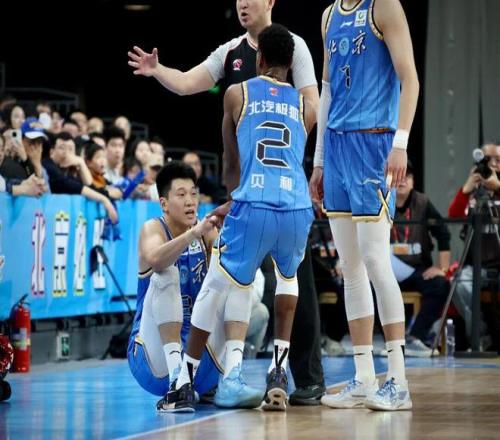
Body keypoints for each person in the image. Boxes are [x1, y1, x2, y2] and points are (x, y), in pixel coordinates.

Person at [129, 0, 326, 405]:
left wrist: (235, 196)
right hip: (293, 199)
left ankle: (187, 377)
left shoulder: (239, 91)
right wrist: (314, 171)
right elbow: (313, 115)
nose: (242, 4)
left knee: (221, 283)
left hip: (252, 196)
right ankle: (278, 369)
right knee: (289, 283)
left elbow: (231, 163)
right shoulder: (241, 58)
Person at [310, 0, 419, 411]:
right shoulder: (328, 15)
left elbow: (410, 79)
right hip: (337, 147)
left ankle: (399, 381)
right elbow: (326, 91)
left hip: (374, 142)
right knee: (350, 266)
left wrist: (400, 143)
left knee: (375, 259)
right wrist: (319, 161)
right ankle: (363, 377)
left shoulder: (384, 6)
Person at [127, 161, 225, 412]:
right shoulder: (153, 228)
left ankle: (231, 373)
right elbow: (156, 259)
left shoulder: (206, 232)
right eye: (181, 195)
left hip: (199, 358)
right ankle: (175, 386)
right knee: (166, 273)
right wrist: (192, 234)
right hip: (152, 360)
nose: (190, 201)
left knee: (237, 285)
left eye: (193, 193)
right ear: (164, 204)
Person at [391, 161, 450, 356]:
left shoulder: (422, 203)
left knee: (441, 285)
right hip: (387, 271)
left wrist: (442, 268)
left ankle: (415, 337)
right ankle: (389, 341)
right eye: (399, 175)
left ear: (413, 182)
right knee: (365, 285)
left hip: (417, 270)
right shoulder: (382, 200)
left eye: (407, 176)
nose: (402, 180)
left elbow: (443, 233)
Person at [448, 142, 500, 346]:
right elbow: (453, 215)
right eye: (488, 160)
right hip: (476, 265)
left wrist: (497, 187)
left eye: (498, 160)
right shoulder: (474, 192)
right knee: (459, 284)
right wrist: (466, 189)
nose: (492, 164)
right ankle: (481, 337)